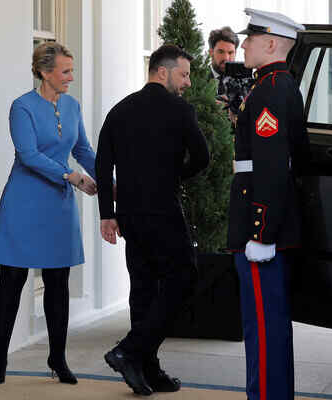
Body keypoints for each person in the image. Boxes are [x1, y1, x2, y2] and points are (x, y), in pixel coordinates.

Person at [95, 44, 209, 396]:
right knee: (183, 278)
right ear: (163, 71)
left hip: (128, 214)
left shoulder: (120, 110)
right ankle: (130, 350)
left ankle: (146, 367)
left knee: (142, 289)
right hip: (162, 209)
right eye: (184, 74)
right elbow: (203, 157)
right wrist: (175, 175)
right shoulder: (179, 110)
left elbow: (102, 165)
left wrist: (107, 215)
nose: (188, 82)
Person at [0, 42, 98, 386]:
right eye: (65, 71)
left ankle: (58, 358)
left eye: (71, 70)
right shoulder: (22, 107)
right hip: (24, 203)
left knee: (57, 284)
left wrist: (111, 180)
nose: (71, 77)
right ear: (44, 72)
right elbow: (28, 154)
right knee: (12, 282)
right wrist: (71, 176)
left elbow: (82, 149)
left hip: (58, 206)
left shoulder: (72, 105)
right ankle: (0, 360)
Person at [229, 8, 309, 400]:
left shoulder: (272, 89)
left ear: (272, 43)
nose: (244, 44)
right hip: (265, 223)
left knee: (264, 326)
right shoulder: (272, 86)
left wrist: (261, 232)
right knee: (264, 324)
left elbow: (273, 167)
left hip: (262, 229)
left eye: (251, 38)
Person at [208, 26, 239, 96]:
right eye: (221, 52)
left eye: (230, 53)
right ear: (211, 52)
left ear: (235, 53)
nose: (226, 58)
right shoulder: (197, 78)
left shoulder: (243, 82)